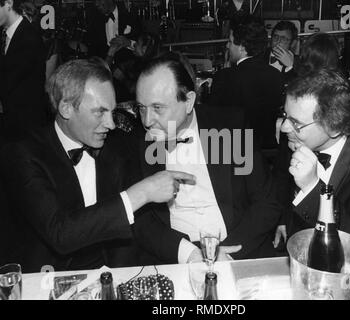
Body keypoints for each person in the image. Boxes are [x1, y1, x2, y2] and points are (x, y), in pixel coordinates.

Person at [0, 59, 195, 272]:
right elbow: (60, 233)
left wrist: (192, 253)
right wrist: (143, 192)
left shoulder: (117, 144)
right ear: (66, 108)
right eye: (99, 112)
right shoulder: (23, 154)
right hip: (48, 278)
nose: (111, 124)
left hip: (116, 274)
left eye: (112, 112)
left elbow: (142, 223)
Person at [131, 53, 282, 266]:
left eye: (158, 108)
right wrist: (188, 253)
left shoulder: (230, 128)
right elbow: (142, 223)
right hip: (174, 258)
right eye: (141, 108)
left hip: (237, 247)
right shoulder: (137, 142)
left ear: (189, 101)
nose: (147, 121)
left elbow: (266, 202)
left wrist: (227, 253)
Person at [272, 69, 350, 250]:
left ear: (335, 126)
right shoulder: (296, 138)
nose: (284, 128)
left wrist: (311, 187)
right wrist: (283, 218)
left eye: (296, 122)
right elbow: (281, 178)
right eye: (285, 116)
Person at [209, 15, 284, 150]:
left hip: (234, 152)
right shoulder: (276, 75)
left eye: (230, 42)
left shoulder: (224, 77)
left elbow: (214, 119)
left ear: (242, 47)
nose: (227, 45)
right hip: (267, 151)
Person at [0, 0, 47, 141]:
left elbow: (9, 79)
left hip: (26, 126)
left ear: (8, 3)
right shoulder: (6, 33)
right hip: (12, 120)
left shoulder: (28, 36)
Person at [264, 20, 298, 86]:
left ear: (293, 43)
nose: (278, 41)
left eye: (284, 39)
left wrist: (290, 67)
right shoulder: (259, 57)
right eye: (275, 37)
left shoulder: (300, 63)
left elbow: (298, 89)